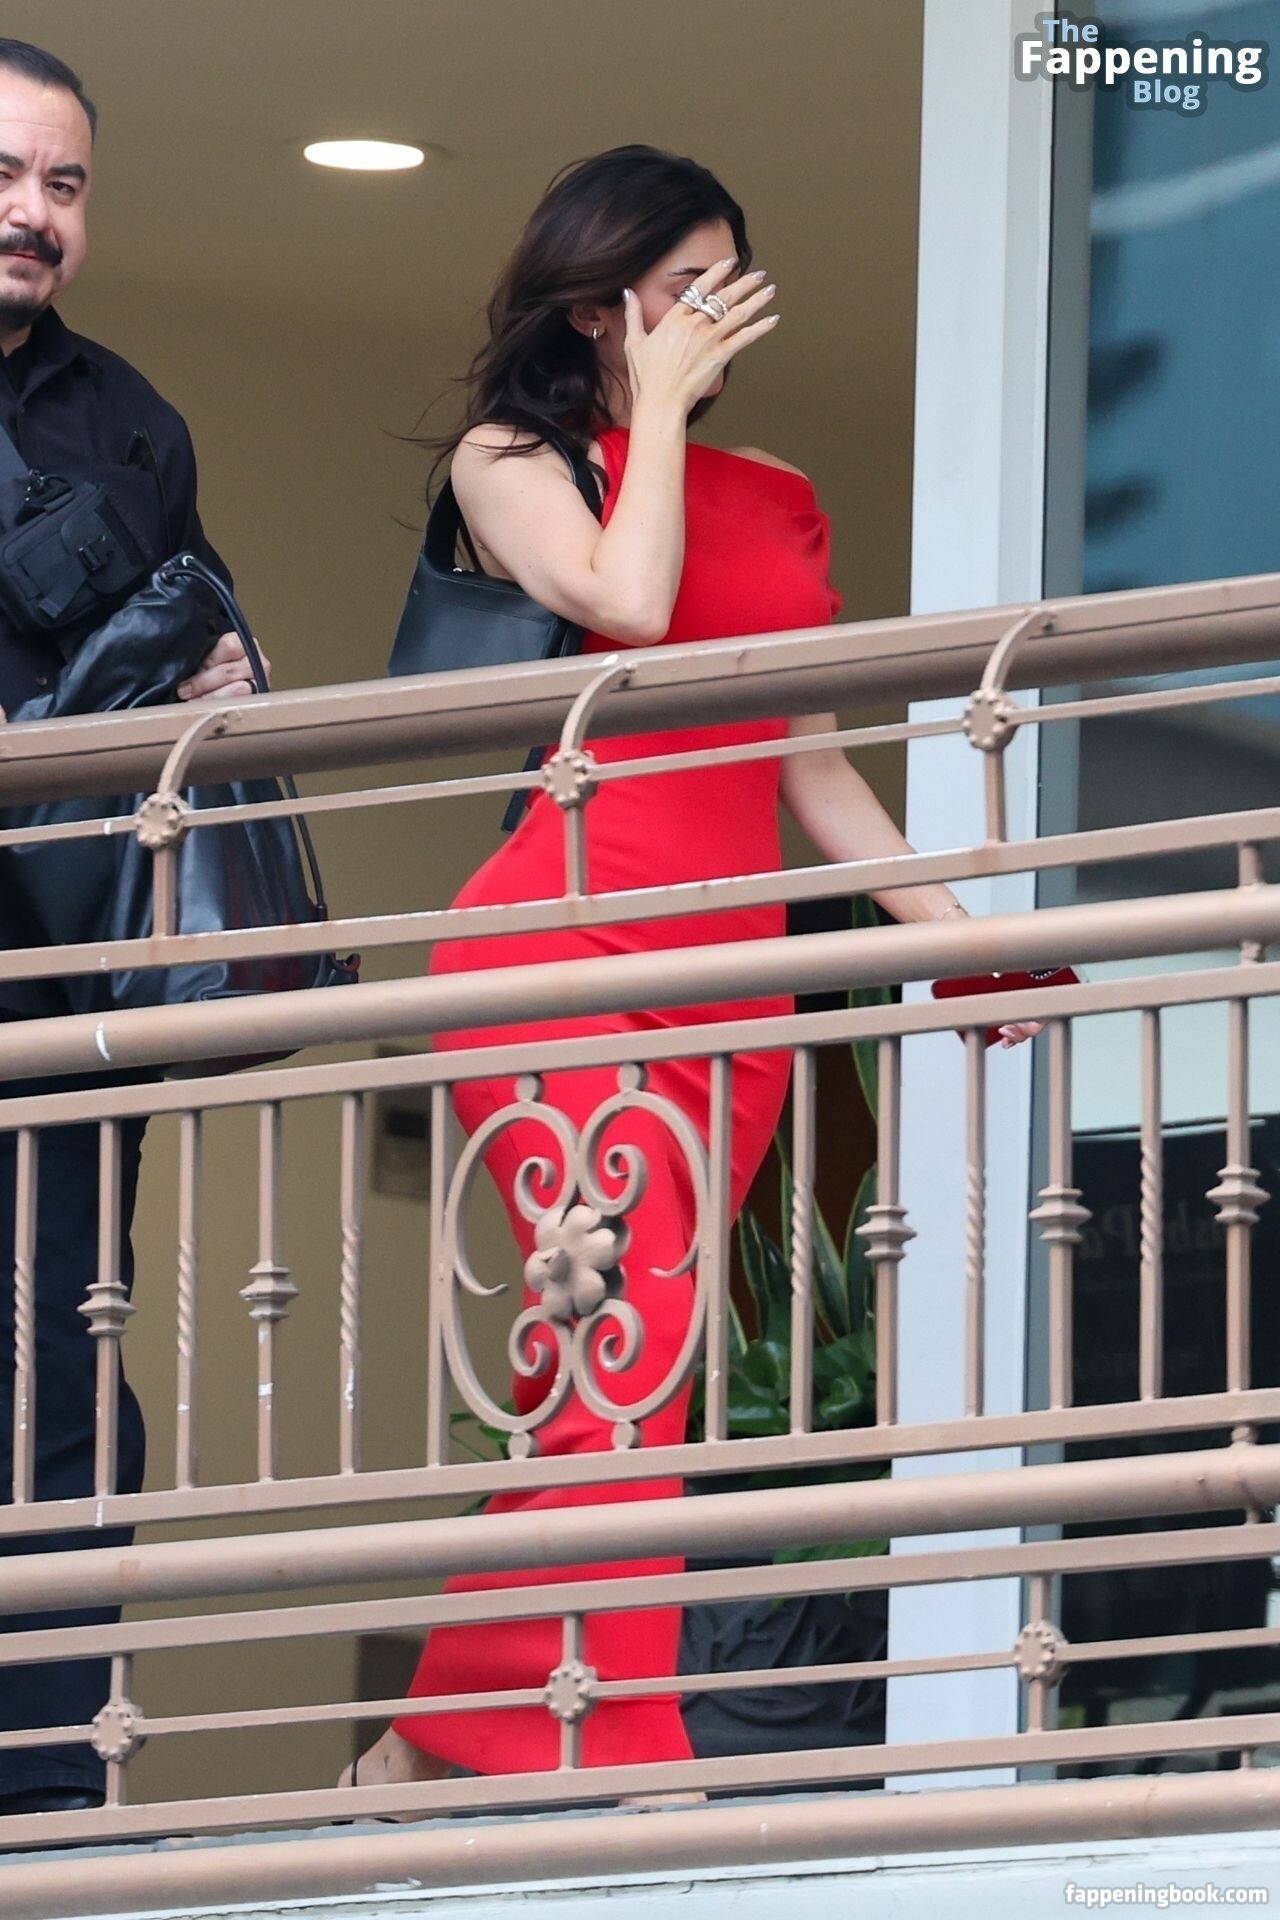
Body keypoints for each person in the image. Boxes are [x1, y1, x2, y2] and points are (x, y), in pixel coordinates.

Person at [347, 144, 1038, 1796]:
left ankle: (429, 1747)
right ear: (600, 306)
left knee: (629, 1385)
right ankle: (613, 1751)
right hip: (562, 948)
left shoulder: (776, 488)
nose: (718, 319)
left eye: (733, 287)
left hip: (733, 979)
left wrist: (963, 948)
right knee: (616, 1357)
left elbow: (813, 771)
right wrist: (650, 410)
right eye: (684, 290)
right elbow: (629, 598)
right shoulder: (516, 461)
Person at [0, 39, 265, 1817]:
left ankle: (38, 1806)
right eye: (6, 174)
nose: (34, 213)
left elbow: (209, 651)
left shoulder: (129, 420)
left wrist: (222, 680)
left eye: (64, 184)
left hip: (68, 976)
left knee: (60, 1378)